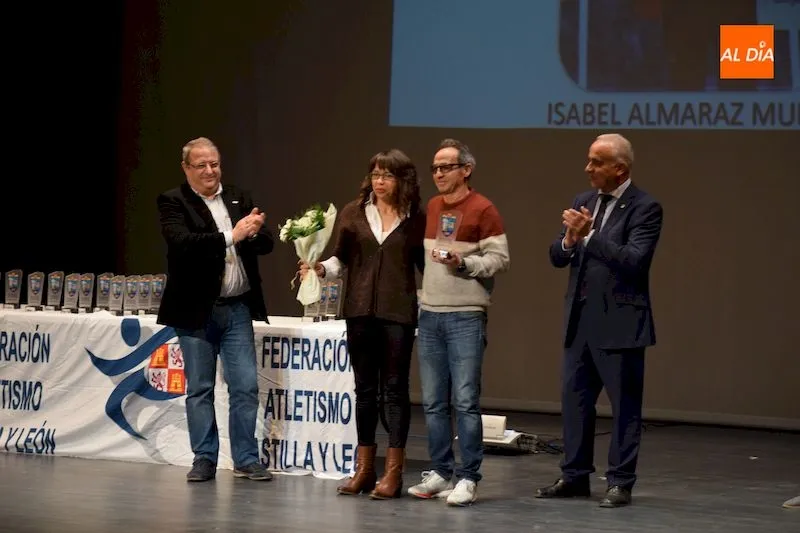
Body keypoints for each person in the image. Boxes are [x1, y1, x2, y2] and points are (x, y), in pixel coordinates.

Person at [537, 133, 663, 508]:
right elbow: (557, 255)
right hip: (579, 323)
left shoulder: (645, 208)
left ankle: (620, 481)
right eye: (589, 160)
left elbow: (634, 260)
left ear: (619, 169)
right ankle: (575, 476)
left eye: (596, 162)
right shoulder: (584, 200)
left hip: (620, 325)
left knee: (624, 408)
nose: (588, 168)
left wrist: (589, 236)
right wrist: (569, 240)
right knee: (575, 403)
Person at [300, 149, 425, 499]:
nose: (380, 181)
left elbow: (424, 267)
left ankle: (393, 473)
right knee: (365, 391)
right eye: (375, 175)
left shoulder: (416, 217)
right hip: (359, 312)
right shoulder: (354, 212)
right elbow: (340, 259)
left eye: (387, 175)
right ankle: (365, 469)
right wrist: (319, 269)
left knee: (395, 391)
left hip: (398, 314)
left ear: (402, 179)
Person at [156, 137, 274, 482]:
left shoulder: (238, 197)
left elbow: (266, 243)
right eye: (201, 165)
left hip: (237, 308)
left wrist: (254, 232)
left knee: (245, 386)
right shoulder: (173, 201)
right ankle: (204, 458)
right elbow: (183, 244)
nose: (210, 171)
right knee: (200, 389)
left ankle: (246, 459)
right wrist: (232, 236)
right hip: (195, 311)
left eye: (215, 164)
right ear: (186, 168)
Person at [407, 139, 510, 507]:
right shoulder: (433, 207)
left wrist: (464, 263)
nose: (438, 173)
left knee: (465, 401)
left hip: (466, 314)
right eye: (435, 167)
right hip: (431, 314)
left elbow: (500, 259)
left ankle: (468, 477)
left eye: (446, 167)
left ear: (466, 170)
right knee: (434, 402)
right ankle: (440, 471)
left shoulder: (483, 208)